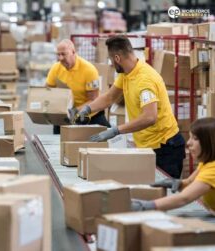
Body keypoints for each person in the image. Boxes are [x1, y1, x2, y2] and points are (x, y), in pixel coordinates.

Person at [77, 36, 185, 178]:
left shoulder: (145, 80)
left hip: (165, 148)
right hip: (148, 146)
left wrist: (116, 130)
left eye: (110, 60)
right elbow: (109, 97)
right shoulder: (127, 73)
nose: (111, 64)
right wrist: (88, 109)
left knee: (164, 195)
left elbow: (150, 117)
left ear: (117, 58)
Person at [132, 117, 215, 213]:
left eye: (195, 139)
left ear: (210, 143)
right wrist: (177, 183)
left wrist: (145, 206)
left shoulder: (212, 170)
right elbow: (189, 183)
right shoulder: (206, 164)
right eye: (190, 137)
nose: (188, 143)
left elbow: (184, 198)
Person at [46, 39, 110, 134]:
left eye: (63, 54)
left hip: (89, 115)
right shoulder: (56, 68)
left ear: (73, 52)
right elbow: (47, 90)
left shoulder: (89, 70)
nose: (60, 58)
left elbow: (93, 100)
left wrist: (75, 111)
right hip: (65, 114)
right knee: (57, 143)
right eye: (58, 54)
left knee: (107, 139)